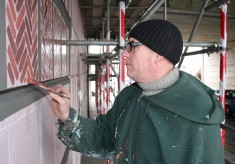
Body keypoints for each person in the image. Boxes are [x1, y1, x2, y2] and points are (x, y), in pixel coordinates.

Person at [49, 19, 225, 164]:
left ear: (159, 55)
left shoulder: (198, 118)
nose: (124, 54)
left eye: (132, 46)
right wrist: (68, 117)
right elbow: (105, 138)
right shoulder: (130, 96)